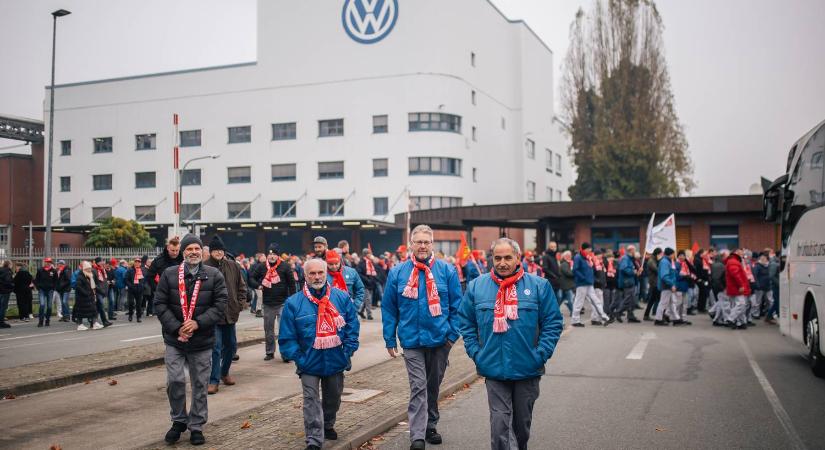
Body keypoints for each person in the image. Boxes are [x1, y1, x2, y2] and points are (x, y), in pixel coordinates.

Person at [459, 238, 563, 450]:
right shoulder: (477, 286)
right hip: (493, 368)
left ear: (518, 258)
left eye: (508, 257)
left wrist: (541, 354)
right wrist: (476, 352)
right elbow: (466, 322)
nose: (502, 262)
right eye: (497, 258)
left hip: (528, 368)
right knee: (500, 425)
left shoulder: (539, 286)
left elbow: (552, 323)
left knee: (521, 427)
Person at [382, 224, 462, 450]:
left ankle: (430, 425)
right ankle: (417, 435)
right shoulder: (398, 272)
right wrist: (390, 339)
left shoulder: (447, 271)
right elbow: (389, 308)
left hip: (440, 341)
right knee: (418, 386)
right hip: (411, 341)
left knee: (433, 386)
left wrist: (450, 337)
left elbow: (458, 307)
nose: (423, 246)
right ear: (411, 244)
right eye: (418, 242)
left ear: (432, 244)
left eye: (427, 242)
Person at [278, 258, 360, 450]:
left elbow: (352, 327)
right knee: (310, 399)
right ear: (305, 276)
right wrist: (299, 357)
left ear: (326, 274)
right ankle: (314, 438)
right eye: (312, 273)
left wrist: (347, 352)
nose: (317, 277)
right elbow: (287, 337)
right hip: (308, 362)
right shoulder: (293, 303)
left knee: (333, 397)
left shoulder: (341, 298)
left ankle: (328, 423)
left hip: (335, 359)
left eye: (320, 273)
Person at [154, 233, 227, 446]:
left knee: (199, 384)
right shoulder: (169, 274)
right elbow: (159, 304)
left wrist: (198, 323)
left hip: (202, 340)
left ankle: (196, 425)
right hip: (175, 340)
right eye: (189, 249)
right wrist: (177, 327)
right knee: (175, 380)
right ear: (183, 252)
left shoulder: (213, 275)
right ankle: (178, 420)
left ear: (201, 251)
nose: (193, 252)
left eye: (196, 248)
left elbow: (221, 303)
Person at [205, 235, 247, 394]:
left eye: (220, 250)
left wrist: (240, 303)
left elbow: (242, 287)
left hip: (231, 313)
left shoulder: (233, 266)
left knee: (231, 346)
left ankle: (224, 372)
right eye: (215, 250)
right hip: (213, 315)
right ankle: (213, 380)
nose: (218, 253)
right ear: (210, 252)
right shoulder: (205, 267)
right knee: (215, 348)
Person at [249, 243, 297, 361]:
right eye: (270, 254)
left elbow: (291, 284)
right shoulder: (261, 267)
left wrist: (293, 300)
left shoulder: (285, 266)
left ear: (278, 256)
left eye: (274, 254)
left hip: (283, 303)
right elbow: (251, 278)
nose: (272, 257)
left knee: (284, 330)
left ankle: (285, 354)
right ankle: (269, 352)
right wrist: (258, 285)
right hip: (268, 303)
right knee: (269, 330)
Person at [570, 243, 610, 327]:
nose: (590, 250)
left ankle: (604, 317)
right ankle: (575, 320)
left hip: (589, 283)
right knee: (579, 302)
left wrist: (591, 279)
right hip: (582, 283)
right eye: (589, 249)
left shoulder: (587, 258)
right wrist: (583, 278)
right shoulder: (578, 257)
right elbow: (575, 270)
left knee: (596, 300)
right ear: (584, 249)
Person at [146, 236, 184, 317]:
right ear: (167, 248)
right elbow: (149, 276)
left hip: (183, 292)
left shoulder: (184, 259)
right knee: (167, 319)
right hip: (166, 294)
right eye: (172, 250)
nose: (175, 253)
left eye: (177, 250)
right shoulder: (159, 260)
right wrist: (157, 289)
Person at [654, 248, 683, 326]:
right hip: (666, 286)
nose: (674, 255)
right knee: (664, 303)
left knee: (671, 303)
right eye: (673, 254)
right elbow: (664, 276)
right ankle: (658, 319)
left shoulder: (666, 261)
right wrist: (671, 284)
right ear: (670, 254)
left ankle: (675, 318)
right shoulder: (665, 262)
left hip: (667, 286)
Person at [725, 248, 751, 330]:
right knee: (741, 305)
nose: (743, 254)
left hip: (734, 287)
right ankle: (731, 319)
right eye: (741, 252)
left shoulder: (732, 261)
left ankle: (741, 322)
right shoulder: (734, 261)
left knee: (736, 305)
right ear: (736, 252)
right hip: (737, 287)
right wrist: (741, 285)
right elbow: (735, 274)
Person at [74, 261, 104, 330]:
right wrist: (86, 293)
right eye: (88, 268)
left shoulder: (90, 276)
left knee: (94, 310)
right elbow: (78, 287)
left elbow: (93, 285)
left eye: (90, 268)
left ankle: (95, 323)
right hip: (82, 298)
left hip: (90, 296)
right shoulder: (80, 276)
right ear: (84, 269)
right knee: (80, 311)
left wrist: (101, 291)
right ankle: (80, 325)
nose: (90, 270)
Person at [616, 245, 641, 323]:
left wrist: (637, 270)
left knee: (631, 300)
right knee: (628, 299)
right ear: (631, 251)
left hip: (630, 281)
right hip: (627, 282)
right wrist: (633, 272)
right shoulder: (625, 258)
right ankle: (618, 312)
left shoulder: (630, 259)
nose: (635, 252)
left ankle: (630, 316)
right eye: (634, 250)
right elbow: (624, 269)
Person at [34, 257, 58, 327]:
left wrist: (53, 288)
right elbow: (36, 280)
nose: (48, 263)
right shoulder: (40, 270)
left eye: (49, 262)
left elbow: (56, 281)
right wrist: (38, 287)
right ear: (44, 262)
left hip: (50, 290)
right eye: (46, 262)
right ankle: (40, 321)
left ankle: (47, 320)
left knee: (49, 307)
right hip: (42, 290)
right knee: (42, 305)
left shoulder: (53, 271)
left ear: (51, 263)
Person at [752, 252, 775, 324]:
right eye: (762, 258)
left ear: (767, 259)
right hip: (760, 287)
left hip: (768, 286)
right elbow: (755, 276)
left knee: (770, 301)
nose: (763, 260)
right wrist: (757, 285)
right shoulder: (757, 266)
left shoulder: (769, 265)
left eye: (764, 258)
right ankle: (756, 314)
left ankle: (771, 314)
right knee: (758, 301)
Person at [92, 257, 114, 327]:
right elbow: (94, 283)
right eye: (102, 261)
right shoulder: (94, 270)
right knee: (101, 305)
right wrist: (100, 290)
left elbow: (104, 280)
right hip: (98, 291)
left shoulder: (102, 269)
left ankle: (94, 321)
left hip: (102, 291)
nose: (103, 262)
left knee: (99, 307)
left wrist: (105, 289)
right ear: (98, 262)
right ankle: (104, 321)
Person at [643, 248, 663, 321]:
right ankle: (659, 316)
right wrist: (660, 261)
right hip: (654, 282)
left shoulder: (654, 260)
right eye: (661, 254)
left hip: (655, 282)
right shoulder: (651, 261)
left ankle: (646, 315)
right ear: (657, 254)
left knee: (652, 299)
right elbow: (657, 270)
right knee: (658, 299)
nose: (661, 255)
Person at [0, 260, 13, 328]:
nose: (12, 266)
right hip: (5, 291)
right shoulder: (8, 271)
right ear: (9, 265)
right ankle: (1, 322)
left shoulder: (1, 270)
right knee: (3, 307)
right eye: (11, 264)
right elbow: (8, 282)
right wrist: (12, 285)